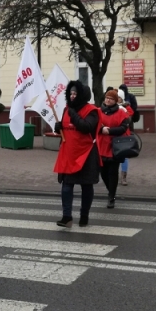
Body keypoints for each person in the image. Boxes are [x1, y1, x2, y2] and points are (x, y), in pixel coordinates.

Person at [53, 81, 101, 227]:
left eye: (75, 94)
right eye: (71, 93)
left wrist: (73, 114)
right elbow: (64, 130)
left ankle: (84, 215)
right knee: (67, 184)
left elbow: (86, 127)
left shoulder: (92, 111)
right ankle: (66, 216)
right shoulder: (66, 109)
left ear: (82, 95)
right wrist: (58, 127)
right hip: (69, 153)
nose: (72, 96)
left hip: (86, 153)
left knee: (86, 186)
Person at [98, 89, 131, 209]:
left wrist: (109, 131)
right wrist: (101, 129)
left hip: (114, 148)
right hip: (101, 147)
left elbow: (123, 128)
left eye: (111, 99)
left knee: (112, 173)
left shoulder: (121, 113)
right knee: (103, 174)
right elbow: (93, 125)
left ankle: (111, 196)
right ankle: (110, 191)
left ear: (116, 101)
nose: (108, 100)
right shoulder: (98, 111)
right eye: (107, 98)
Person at [118, 85, 138, 186]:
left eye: (119, 97)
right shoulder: (110, 107)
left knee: (124, 157)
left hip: (124, 135)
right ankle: (113, 175)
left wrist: (123, 111)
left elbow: (129, 118)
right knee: (114, 156)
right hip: (114, 135)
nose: (117, 99)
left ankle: (123, 177)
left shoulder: (126, 107)